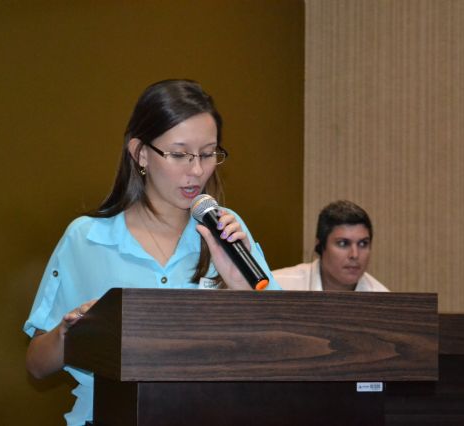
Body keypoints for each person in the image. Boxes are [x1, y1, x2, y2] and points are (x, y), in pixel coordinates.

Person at [23, 79, 281, 426]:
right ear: (140, 152)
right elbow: (36, 365)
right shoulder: (86, 238)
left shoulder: (227, 232)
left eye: (207, 154)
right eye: (179, 154)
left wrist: (240, 286)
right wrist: (70, 334)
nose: (197, 170)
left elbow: (285, 347)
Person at [273, 200, 388, 292]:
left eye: (363, 244)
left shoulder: (384, 301)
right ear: (320, 246)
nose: (355, 255)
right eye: (343, 243)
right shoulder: (277, 287)